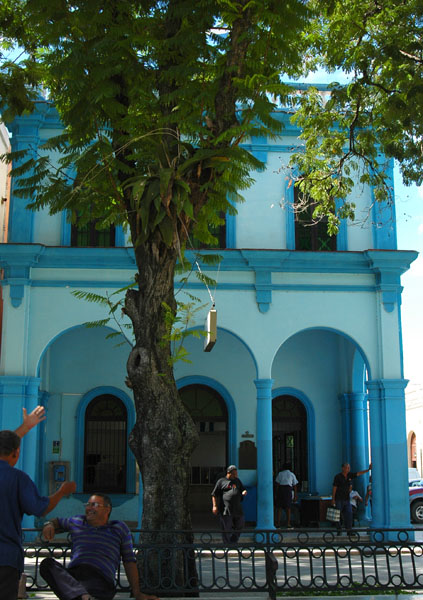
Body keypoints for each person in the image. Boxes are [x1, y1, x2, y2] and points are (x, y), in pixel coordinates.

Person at [0, 406, 77, 600]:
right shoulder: (18, 479)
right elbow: (40, 508)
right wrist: (61, 492)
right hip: (5, 559)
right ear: (16, 454)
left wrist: (25, 427)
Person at [40, 493, 158, 600]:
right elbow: (57, 522)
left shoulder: (119, 528)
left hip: (100, 577)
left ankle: (82, 596)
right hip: (75, 575)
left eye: (95, 505)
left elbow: (129, 561)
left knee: (82, 591)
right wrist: (49, 524)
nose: (89, 508)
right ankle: (84, 596)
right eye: (88, 505)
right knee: (47, 564)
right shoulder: (77, 521)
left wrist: (137, 593)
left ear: (107, 509)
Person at [211, 465, 247, 544]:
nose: (235, 476)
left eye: (236, 474)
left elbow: (242, 489)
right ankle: (227, 544)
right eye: (234, 474)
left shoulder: (237, 481)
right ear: (228, 473)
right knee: (226, 528)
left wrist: (244, 492)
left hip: (237, 509)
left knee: (240, 524)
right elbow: (214, 494)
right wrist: (214, 506)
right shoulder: (221, 481)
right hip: (226, 509)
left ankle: (234, 540)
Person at [331, 462, 371, 534]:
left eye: (349, 468)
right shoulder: (338, 477)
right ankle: (339, 529)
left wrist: (368, 470)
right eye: (346, 467)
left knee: (349, 514)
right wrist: (333, 499)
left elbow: (358, 473)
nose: (348, 469)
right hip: (338, 498)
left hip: (346, 499)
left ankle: (349, 530)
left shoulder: (350, 475)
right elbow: (334, 488)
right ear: (343, 468)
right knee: (337, 515)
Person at [274, 462, 298, 528]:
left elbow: (277, 484)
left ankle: (278, 523)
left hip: (281, 490)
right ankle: (288, 523)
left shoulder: (280, 474)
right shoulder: (291, 474)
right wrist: (295, 495)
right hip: (288, 490)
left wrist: (276, 493)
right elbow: (295, 485)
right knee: (288, 507)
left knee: (279, 507)